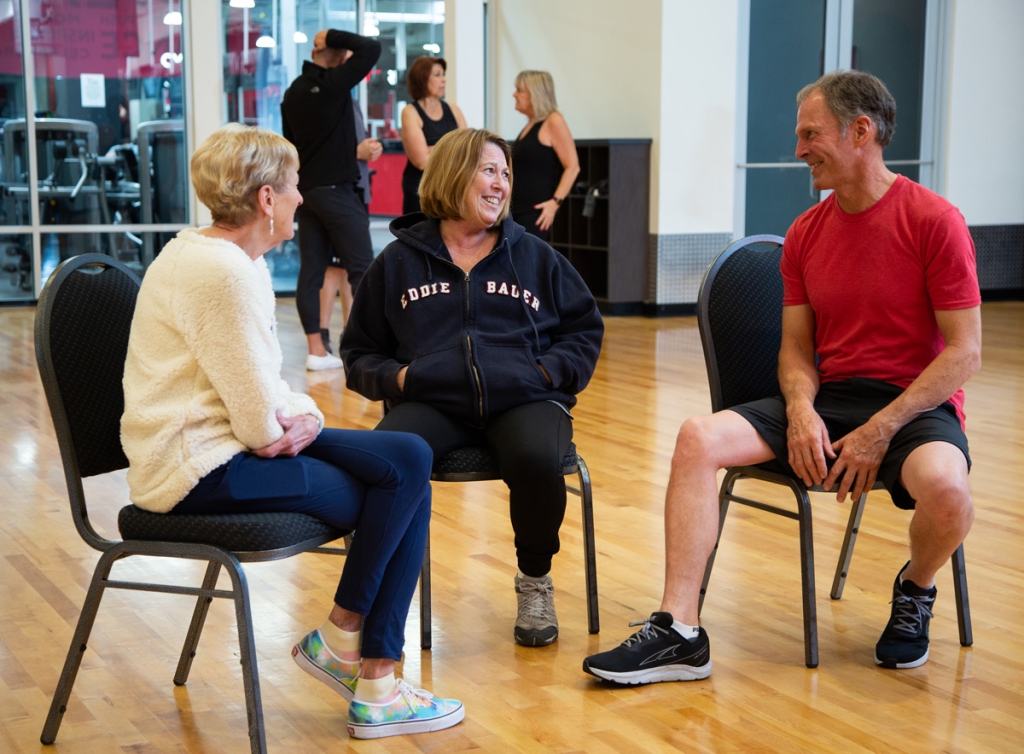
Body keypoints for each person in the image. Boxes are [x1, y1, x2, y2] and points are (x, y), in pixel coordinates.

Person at [583, 70, 982, 683]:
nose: (798, 151)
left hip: (911, 406)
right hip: (830, 397)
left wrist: (882, 427)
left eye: (810, 134)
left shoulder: (935, 221)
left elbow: (964, 353)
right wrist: (801, 409)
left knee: (950, 492)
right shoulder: (805, 232)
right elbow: (796, 349)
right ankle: (680, 630)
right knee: (697, 437)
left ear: (861, 131)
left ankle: (916, 587)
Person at [120, 124, 464, 739]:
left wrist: (304, 415)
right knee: (403, 486)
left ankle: (343, 641)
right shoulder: (220, 273)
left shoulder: (224, 259)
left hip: (228, 445)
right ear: (265, 199)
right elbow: (256, 423)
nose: (302, 198)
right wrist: (291, 418)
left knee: (408, 456)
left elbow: (266, 391)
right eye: (295, 185)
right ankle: (375, 679)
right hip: (198, 468)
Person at [341, 128, 604, 647]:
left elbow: (584, 330)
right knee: (389, 460)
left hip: (525, 396)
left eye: (506, 174)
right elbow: (358, 353)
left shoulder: (532, 255)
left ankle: (534, 579)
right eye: (489, 170)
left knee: (534, 455)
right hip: (434, 399)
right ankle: (371, 602)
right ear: (453, 174)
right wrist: (401, 378)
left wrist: (547, 374)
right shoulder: (397, 262)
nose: (501, 184)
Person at [281, 29, 380, 372]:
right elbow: (371, 47)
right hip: (336, 190)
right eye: (345, 53)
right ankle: (369, 349)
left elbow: (290, 147)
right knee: (363, 268)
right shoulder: (334, 84)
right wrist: (329, 37)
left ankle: (316, 352)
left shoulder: (293, 92)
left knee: (312, 270)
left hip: (307, 192)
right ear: (337, 53)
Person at [319, 99, 383, 356]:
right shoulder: (328, 103)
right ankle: (322, 334)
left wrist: (370, 147)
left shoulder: (352, 101)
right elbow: (324, 149)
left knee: (349, 267)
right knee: (333, 266)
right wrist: (358, 152)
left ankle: (350, 330)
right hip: (339, 190)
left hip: (355, 187)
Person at [510, 70, 580, 242]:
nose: (514, 94)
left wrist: (554, 203)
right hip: (517, 210)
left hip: (536, 212)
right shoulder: (531, 124)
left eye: (519, 90)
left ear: (535, 94)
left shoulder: (553, 121)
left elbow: (573, 166)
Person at [400, 55, 466, 215]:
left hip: (450, 189)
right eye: (437, 75)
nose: (443, 80)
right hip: (421, 190)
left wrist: (432, 149)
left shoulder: (453, 109)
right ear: (422, 79)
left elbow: (466, 149)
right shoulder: (410, 112)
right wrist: (451, 147)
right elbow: (422, 161)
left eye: (443, 74)